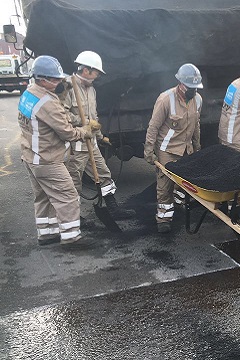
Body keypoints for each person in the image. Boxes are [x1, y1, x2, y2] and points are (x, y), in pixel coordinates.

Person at [18, 56, 95, 248]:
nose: (60, 81)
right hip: (47, 159)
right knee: (67, 196)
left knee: (43, 196)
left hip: (30, 155)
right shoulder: (48, 103)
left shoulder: (28, 94)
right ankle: (71, 237)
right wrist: (84, 132)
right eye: (56, 79)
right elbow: (67, 132)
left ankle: (47, 234)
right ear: (43, 79)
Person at [61, 51, 132, 219]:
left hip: (91, 143)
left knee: (104, 174)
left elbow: (94, 118)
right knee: (73, 182)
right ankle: (73, 218)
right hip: (75, 145)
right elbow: (59, 115)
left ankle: (113, 209)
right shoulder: (67, 86)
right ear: (86, 70)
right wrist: (81, 120)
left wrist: (100, 136)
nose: (97, 76)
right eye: (96, 73)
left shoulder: (91, 90)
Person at [144, 64, 203, 234]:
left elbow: (196, 125)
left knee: (184, 181)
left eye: (195, 87)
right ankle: (164, 218)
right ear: (180, 83)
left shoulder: (198, 100)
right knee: (165, 184)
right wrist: (149, 150)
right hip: (167, 149)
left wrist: (197, 146)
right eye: (189, 87)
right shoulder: (165, 99)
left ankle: (179, 202)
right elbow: (153, 127)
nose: (193, 90)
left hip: (187, 148)